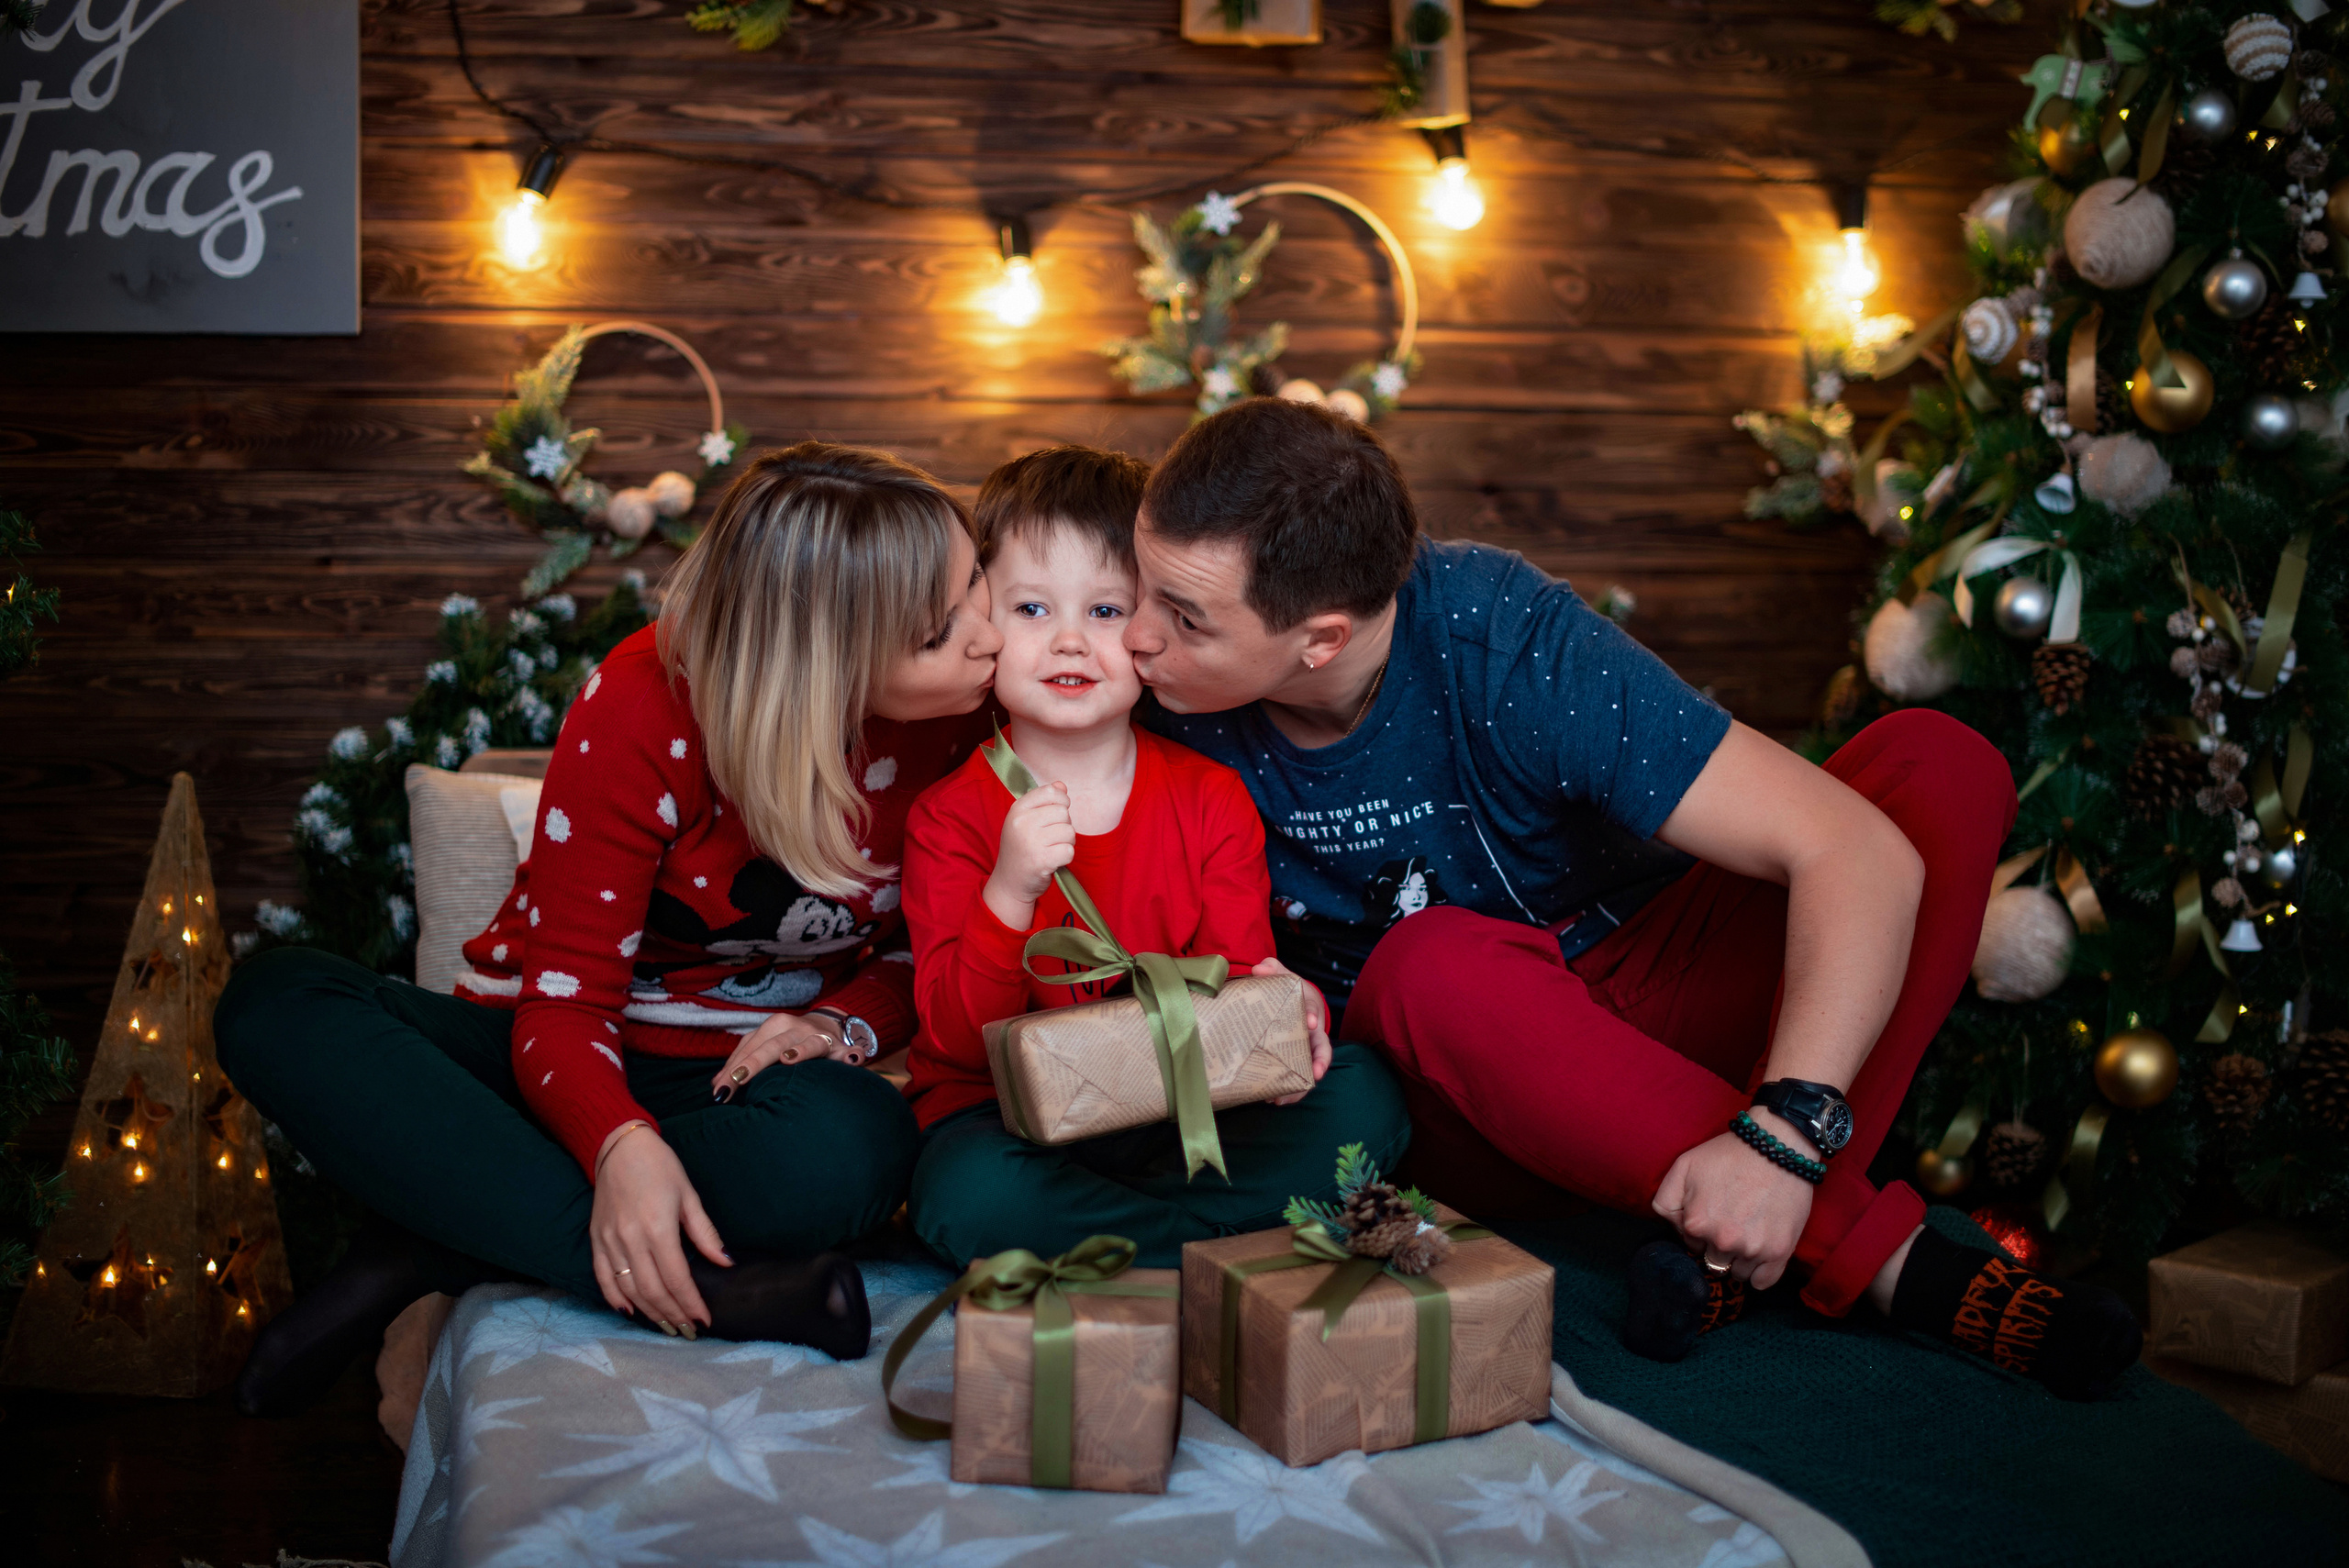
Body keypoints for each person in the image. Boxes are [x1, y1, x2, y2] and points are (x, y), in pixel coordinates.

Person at [1126, 398, 2141, 1400]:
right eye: (1138, 586)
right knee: (1429, 962)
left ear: (1320, 639)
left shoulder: (1498, 633)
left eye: (1184, 617)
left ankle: (1752, 1218)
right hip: (1459, 1083)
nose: (1135, 634)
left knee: (1940, 764)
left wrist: (1784, 1137)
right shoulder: (1144, 689)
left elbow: (1852, 850)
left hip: (1645, 979)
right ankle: (1885, 1260)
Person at [214, 443, 1005, 1415]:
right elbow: (564, 1003)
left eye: (976, 580)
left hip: (743, 1082)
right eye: (937, 633)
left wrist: (838, 1024)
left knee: (860, 1143)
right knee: (275, 999)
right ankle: (712, 1291)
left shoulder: (971, 713)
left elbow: (923, 950)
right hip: (551, 1054)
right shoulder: (642, 703)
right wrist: (616, 1143)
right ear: (823, 663)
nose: (988, 635)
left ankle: (428, 1240)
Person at [898, 445, 1409, 1268]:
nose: (1070, 641)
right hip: (1010, 1123)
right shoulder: (946, 817)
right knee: (966, 1191)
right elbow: (958, 1043)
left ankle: (1135, 1245)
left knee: (1365, 1097)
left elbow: (1236, 978)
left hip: (1175, 1111)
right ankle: (1220, 1252)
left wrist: (1283, 1005)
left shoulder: (1209, 796)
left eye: (1105, 610)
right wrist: (1009, 891)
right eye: (1031, 609)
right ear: (983, 618)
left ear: (1151, 627)